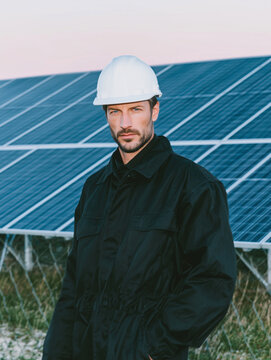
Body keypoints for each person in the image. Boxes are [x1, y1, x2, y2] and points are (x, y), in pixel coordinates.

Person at [42, 55, 237, 360]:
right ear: (106, 115)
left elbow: (212, 280)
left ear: (154, 109)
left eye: (135, 109)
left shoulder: (193, 187)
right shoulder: (94, 188)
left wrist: (153, 347)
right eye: (115, 111)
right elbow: (73, 285)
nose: (125, 123)